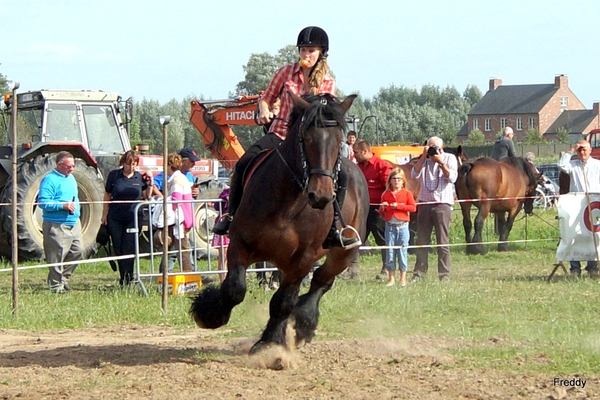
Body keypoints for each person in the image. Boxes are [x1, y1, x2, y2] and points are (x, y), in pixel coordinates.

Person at [212, 26, 359, 249]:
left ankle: (333, 228)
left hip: (309, 141)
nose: (305, 55)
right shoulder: (284, 73)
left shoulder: (328, 82)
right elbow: (267, 99)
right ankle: (231, 217)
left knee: (344, 174)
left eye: (311, 50)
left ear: (321, 53)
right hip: (280, 133)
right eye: (302, 50)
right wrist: (263, 110)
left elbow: (321, 113)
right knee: (243, 163)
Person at [102, 150, 153, 286]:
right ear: (123, 163)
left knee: (129, 248)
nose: (131, 167)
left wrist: (150, 183)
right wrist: (104, 215)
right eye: (129, 164)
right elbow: (107, 195)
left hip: (133, 218)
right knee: (118, 248)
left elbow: (146, 196)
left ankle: (130, 278)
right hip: (115, 217)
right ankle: (123, 277)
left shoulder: (139, 177)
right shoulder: (114, 175)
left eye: (134, 164)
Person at [411, 136, 458, 283]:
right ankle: (419, 273)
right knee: (422, 241)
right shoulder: (423, 160)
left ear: (441, 148)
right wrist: (424, 156)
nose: (432, 150)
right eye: (429, 147)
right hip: (425, 204)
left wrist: (440, 163)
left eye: (434, 148)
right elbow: (414, 174)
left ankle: (444, 274)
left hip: (442, 204)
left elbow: (452, 177)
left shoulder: (449, 158)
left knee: (442, 241)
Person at [38, 151, 83, 293]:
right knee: (57, 256)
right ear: (59, 165)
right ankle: (56, 286)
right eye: (69, 166)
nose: (71, 169)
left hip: (74, 222)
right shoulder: (49, 180)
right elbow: (42, 202)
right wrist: (62, 206)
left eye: (73, 166)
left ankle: (63, 279)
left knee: (78, 251)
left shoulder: (71, 178)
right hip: (56, 224)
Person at [557, 140, 600, 277]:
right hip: (576, 205)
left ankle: (592, 266)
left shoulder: (597, 165)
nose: (582, 152)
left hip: (593, 205)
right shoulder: (573, 165)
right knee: (574, 234)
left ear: (590, 150)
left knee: (592, 234)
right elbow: (561, 165)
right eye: (579, 150)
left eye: (584, 150)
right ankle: (574, 267)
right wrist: (571, 150)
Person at [354, 139, 392, 280]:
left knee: (382, 239)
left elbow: (389, 187)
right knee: (356, 238)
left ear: (365, 151)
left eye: (356, 152)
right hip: (361, 209)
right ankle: (353, 270)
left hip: (377, 209)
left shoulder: (381, 165)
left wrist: (384, 204)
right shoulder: (357, 166)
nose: (354, 155)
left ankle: (387, 269)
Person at [379, 168, 416, 287]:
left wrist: (399, 207)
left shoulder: (407, 193)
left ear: (403, 181)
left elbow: (412, 208)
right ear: (390, 181)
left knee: (402, 251)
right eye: (394, 179)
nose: (396, 181)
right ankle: (391, 278)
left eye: (399, 179)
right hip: (390, 226)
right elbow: (381, 213)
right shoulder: (386, 194)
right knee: (390, 252)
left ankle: (403, 278)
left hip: (403, 226)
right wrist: (383, 207)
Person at [162, 153, 195, 272]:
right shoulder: (179, 178)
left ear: (169, 165)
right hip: (181, 219)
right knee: (173, 247)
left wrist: (163, 202)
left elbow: (176, 199)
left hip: (180, 220)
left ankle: (189, 277)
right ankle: (164, 273)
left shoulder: (176, 180)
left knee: (182, 250)